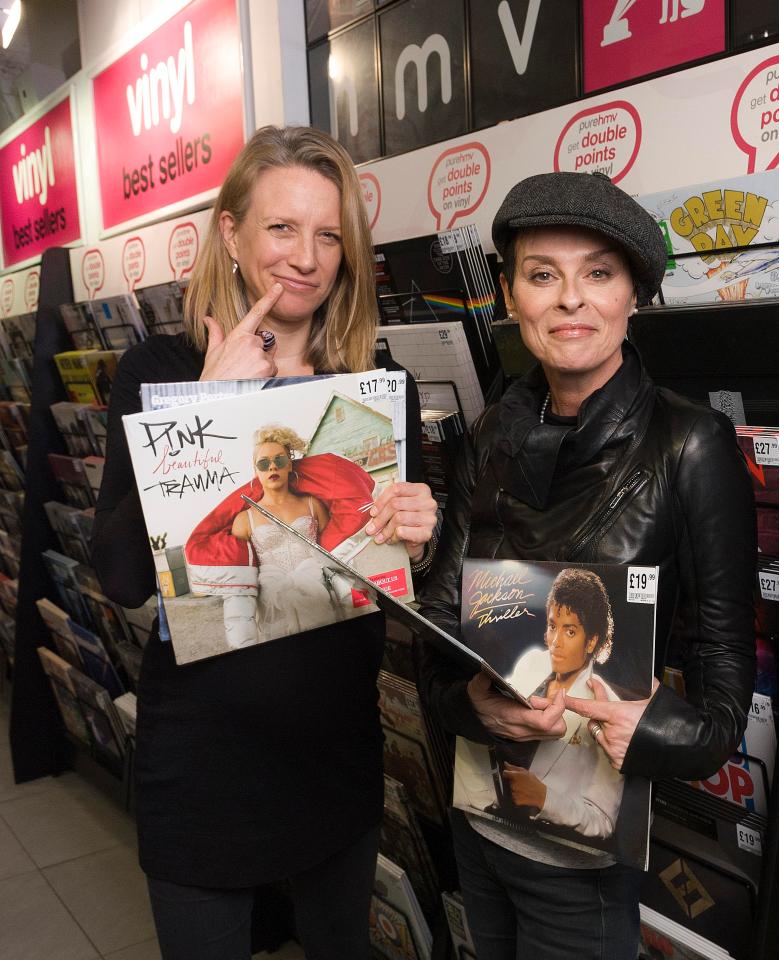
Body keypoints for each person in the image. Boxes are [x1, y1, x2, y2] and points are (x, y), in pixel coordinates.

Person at [92, 126, 437, 960]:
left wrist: (419, 539)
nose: (307, 257)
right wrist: (199, 417)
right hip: (205, 768)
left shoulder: (375, 388)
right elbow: (123, 577)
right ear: (232, 233)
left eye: (329, 235)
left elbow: (387, 575)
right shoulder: (158, 370)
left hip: (332, 756)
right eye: (282, 228)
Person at [417, 170, 756, 959]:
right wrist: (474, 703)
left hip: (583, 851)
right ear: (510, 295)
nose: (571, 299)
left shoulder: (690, 445)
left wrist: (653, 729)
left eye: (598, 273)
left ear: (633, 293)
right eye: (543, 275)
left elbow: (722, 685)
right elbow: (439, 633)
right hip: (479, 815)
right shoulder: (491, 432)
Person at [455, 567, 623, 843]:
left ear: (592, 640)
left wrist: (545, 799)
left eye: (569, 631)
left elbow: (602, 822)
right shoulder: (533, 661)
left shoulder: (609, 710)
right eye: (552, 625)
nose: (555, 642)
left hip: (550, 851)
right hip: (481, 821)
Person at [185, 424, 376, 647]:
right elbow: (243, 573)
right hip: (272, 609)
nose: (272, 467)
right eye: (264, 463)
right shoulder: (243, 519)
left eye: (280, 460)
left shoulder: (312, 505)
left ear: (289, 464)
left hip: (320, 599)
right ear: (255, 469)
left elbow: (331, 556)